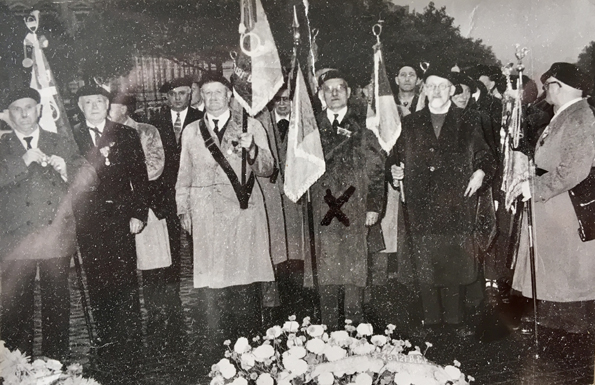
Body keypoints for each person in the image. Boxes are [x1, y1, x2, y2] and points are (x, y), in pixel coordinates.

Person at [389, 66, 495, 336]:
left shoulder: (469, 120)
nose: (436, 91)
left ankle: (456, 321)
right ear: (425, 89)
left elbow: (485, 155)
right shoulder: (411, 122)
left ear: (451, 90)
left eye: (442, 86)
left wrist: (481, 172)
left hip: (456, 204)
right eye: (432, 85)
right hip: (421, 205)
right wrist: (395, 170)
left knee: (453, 262)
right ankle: (431, 321)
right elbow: (395, 156)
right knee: (425, 265)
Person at [176, 73, 275, 354]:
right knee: (212, 289)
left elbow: (268, 169)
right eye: (207, 94)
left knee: (244, 286)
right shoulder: (192, 131)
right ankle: (217, 355)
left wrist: (253, 148)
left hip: (242, 213)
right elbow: (184, 174)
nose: (213, 98)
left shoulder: (250, 125)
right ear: (201, 97)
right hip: (206, 214)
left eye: (218, 93)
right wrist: (183, 209)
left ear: (229, 95)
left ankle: (251, 354)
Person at [0, 88, 90, 361]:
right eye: (18, 108)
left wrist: (67, 171)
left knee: (56, 306)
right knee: (16, 308)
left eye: (30, 107)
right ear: (8, 114)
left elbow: (90, 176)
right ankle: (18, 368)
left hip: (54, 236)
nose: (25, 113)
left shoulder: (59, 141)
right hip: (16, 240)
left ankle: (54, 364)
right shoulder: (3, 147)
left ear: (40, 109)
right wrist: (22, 162)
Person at [511, 63, 595, 338]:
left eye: (548, 86)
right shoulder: (565, 114)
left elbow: (575, 169)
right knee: (555, 264)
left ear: (558, 86)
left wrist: (535, 187)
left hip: (565, 205)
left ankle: (568, 332)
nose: (545, 91)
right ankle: (554, 323)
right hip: (554, 203)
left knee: (567, 266)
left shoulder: (580, 117)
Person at [71, 85, 149, 366]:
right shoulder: (71, 137)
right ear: (80, 106)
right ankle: (106, 340)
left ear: (108, 105)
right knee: (97, 281)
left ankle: (131, 339)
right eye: (88, 102)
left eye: (99, 101)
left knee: (125, 279)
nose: (94, 106)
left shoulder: (126, 134)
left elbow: (140, 177)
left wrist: (139, 213)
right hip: (88, 222)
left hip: (120, 218)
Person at [309, 69, 385, 329]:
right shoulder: (311, 126)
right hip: (322, 207)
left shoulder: (364, 124)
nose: (334, 93)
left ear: (348, 92)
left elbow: (376, 168)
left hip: (356, 205)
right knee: (327, 268)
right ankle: (328, 330)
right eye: (328, 89)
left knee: (354, 268)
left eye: (339, 88)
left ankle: (355, 329)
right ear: (321, 94)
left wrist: (374, 205)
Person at [108, 93, 180, 350]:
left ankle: (160, 318)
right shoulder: (103, 135)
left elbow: (154, 167)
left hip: (146, 206)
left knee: (153, 266)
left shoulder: (146, 131)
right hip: (116, 211)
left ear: (125, 109)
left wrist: (122, 182)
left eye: (112, 106)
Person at [257, 86, 314, 325]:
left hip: (295, 198)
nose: (282, 105)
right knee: (274, 253)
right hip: (269, 198)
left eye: (287, 100)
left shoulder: (303, 126)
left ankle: (300, 305)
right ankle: (273, 309)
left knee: (297, 253)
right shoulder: (262, 125)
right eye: (277, 100)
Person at [149, 77, 203, 309]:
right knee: (169, 247)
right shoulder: (154, 122)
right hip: (165, 195)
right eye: (173, 94)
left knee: (199, 244)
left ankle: (204, 293)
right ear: (166, 97)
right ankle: (173, 299)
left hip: (195, 192)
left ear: (190, 94)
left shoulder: (201, 120)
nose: (178, 98)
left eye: (182, 93)